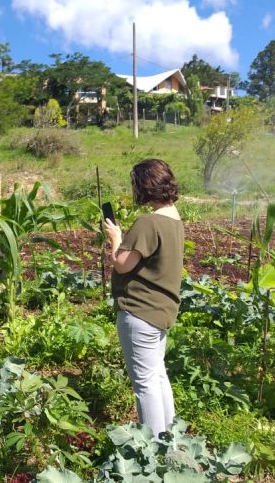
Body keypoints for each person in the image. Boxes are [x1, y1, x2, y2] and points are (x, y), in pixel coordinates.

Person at [104, 159, 184, 438]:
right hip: (162, 310)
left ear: (144, 186)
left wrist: (115, 237)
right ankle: (168, 438)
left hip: (140, 311)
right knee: (157, 376)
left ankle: (153, 452)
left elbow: (122, 263)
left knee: (145, 384)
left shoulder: (148, 222)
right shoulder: (174, 218)